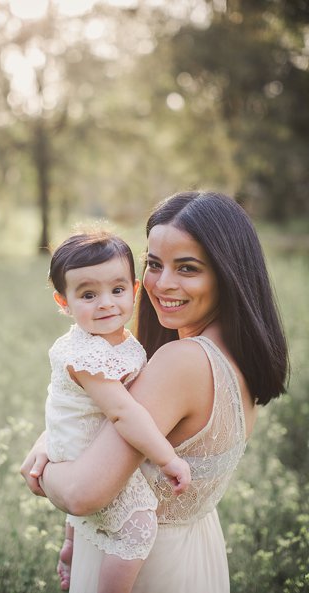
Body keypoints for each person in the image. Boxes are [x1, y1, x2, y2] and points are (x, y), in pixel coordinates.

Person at [20, 191, 288, 593]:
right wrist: (53, 436)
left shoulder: (183, 363)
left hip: (150, 568)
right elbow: (104, 413)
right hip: (196, 555)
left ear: (227, 273)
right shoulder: (237, 355)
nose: (162, 283)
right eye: (154, 264)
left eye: (188, 268)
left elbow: (82, 493)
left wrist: (42, 466)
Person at [44, 231, 191, 593]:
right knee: (139, 524)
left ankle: (70, 548)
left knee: (98, 509)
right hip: (79, 449)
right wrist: (168, 459)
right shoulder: (86, 356)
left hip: (84, 437)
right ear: (64, 302)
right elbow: (123, 412)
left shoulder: (122, 339)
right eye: (88, 295)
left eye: (117, 290)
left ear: (135, 290)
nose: (106, 303)